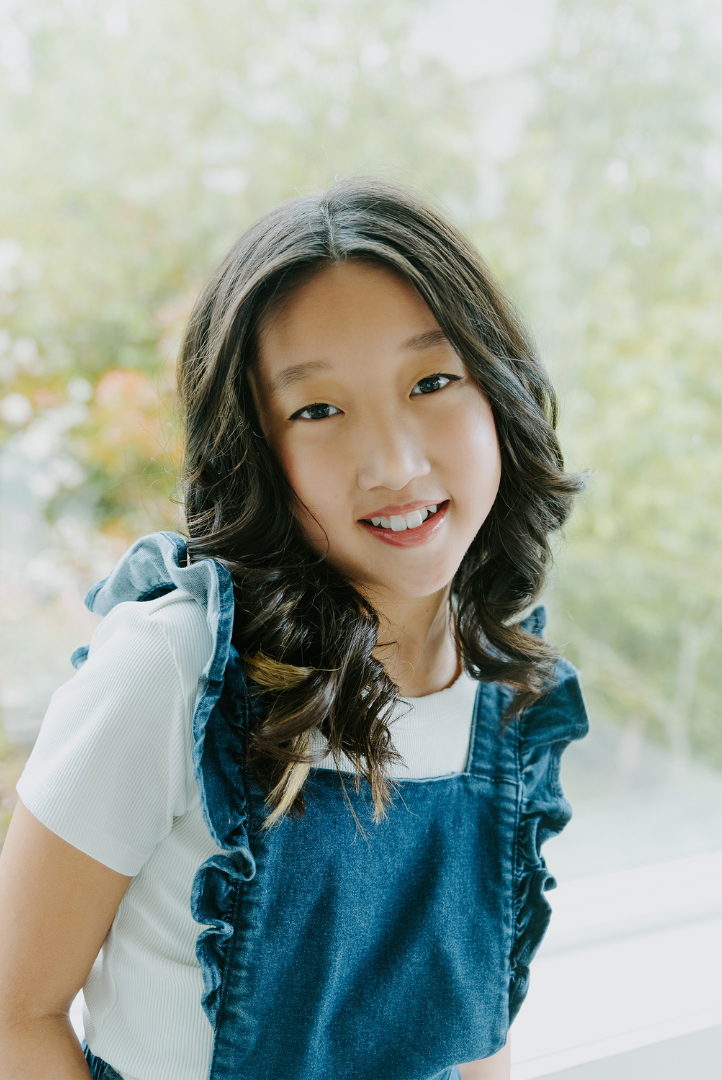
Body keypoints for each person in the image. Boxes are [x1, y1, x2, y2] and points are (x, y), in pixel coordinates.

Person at [0, 178, 588, 1080]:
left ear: (499, 393)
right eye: (318, 410)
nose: (392, 461)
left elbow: (477, 1042)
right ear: (255, 451)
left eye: (432, 381)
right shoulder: (173, 669)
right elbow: (16, 1010)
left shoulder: (509, 697)